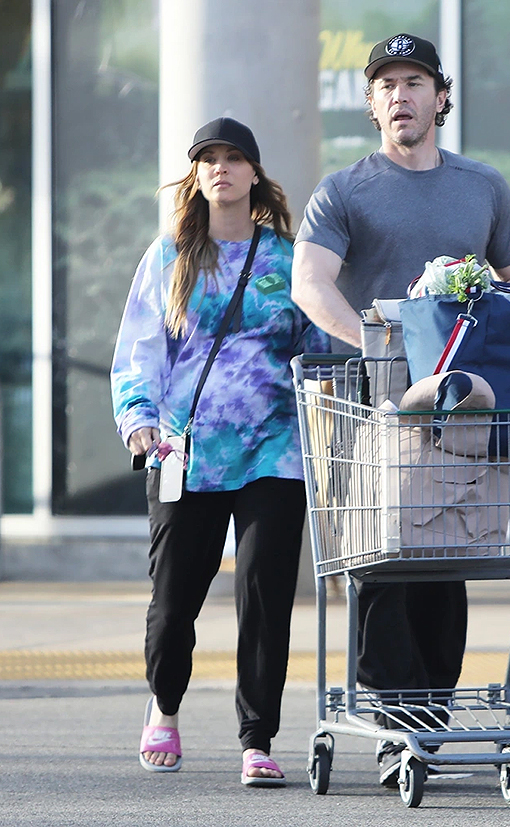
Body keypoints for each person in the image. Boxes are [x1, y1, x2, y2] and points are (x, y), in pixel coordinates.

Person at [291, 33, 510, 788]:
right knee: (386, 558)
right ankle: (400, 720)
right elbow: (310, 283)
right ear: (372, 103)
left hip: (458, 412)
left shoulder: (482, 187)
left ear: (440, 96)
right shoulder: (344, 190)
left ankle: (429, 711)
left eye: (415, 81)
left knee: (445, 559)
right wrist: (378, 345)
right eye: (386, 84)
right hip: (379, 410)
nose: (400, 94)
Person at [111, 117, 329, 784]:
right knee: (173, 601)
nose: (221, 168)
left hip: (274, 449)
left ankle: (257, 739)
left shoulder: (288, 259)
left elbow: (317, 351)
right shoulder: (171, 254)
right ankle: (165, 704)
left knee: (265, 594)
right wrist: (139, 419)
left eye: (234, 158)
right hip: (185, 449)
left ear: (254, 173)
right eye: (209, 158)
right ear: (197, 174)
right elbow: (140, 348)